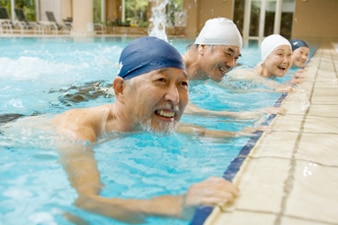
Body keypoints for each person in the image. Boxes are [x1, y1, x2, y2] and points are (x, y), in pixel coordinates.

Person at [51, 36, 239, 223]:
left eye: (183, 84)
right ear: (120, 89)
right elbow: (87, 202)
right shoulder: (77, 126)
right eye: (161, 80)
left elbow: (201, 132)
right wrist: (177, 204)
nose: (175, 97)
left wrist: (244, 134)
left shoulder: (144, 119)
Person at [182, 18, 286, 118]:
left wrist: (272, 89)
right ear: (203, 47)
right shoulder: (173, 68)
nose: (232, 64)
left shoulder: (206, 72)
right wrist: (237, 115)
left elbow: (232, 88)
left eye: (236, 58)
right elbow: (181, 107)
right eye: (228, 53)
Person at [227, 34, 294, 92]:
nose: (286, 61)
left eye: (289, 55)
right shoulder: (248, 74)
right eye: (280, 54)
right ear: (265, 57)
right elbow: (234, 76)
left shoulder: (272, 75)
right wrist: (273, 86)